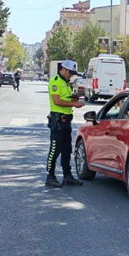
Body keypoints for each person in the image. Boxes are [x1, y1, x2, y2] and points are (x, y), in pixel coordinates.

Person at [45, 60, 85, 188]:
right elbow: (56, 101)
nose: (71, 75)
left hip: (66, 121)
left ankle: (67, 176)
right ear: (64, 69)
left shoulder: (66, 83)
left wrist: (73, 99)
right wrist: (74, 104)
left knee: (67, 150)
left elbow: (65, 98)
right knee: (54, 150)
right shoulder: (55, 81)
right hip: (57, 121)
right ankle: (50, 176)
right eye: (70, 73)